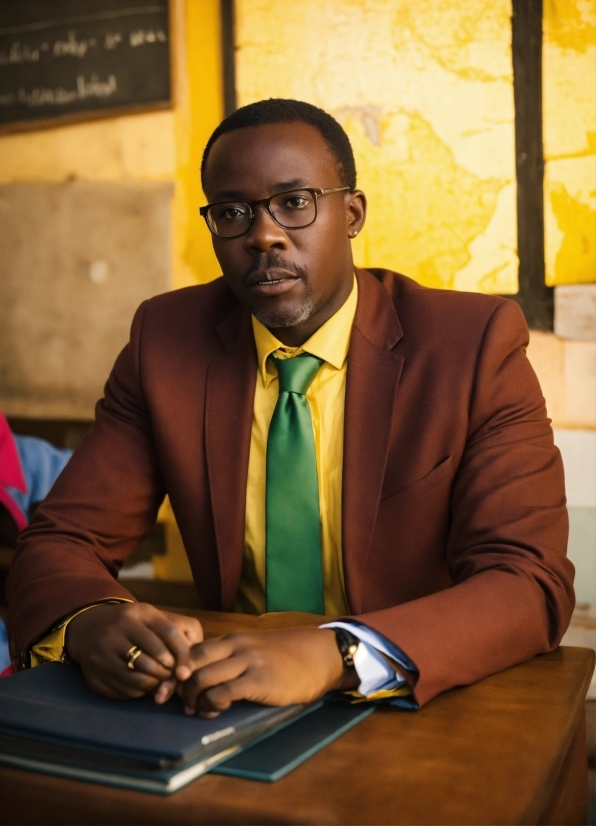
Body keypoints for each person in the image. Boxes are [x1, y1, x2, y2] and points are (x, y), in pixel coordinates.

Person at [6, 99, 573, 716]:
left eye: (295, 202)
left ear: (352, 214)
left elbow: (528, 580)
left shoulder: (472, 344)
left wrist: (335, 654)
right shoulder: (165, 343)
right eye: (232, 212)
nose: (263, 234)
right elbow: (64, 539)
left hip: (416, 698)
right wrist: (93, 622)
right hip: (226, 700)